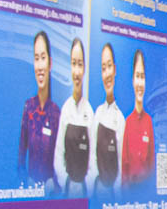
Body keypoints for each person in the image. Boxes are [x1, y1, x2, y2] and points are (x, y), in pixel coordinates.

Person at [18, 30, 59, 188]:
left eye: (43, 58)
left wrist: (53, 183)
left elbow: (60, 164)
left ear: (50, 64)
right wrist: (26, 182)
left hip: (51, 198)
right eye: (36, 58)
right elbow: (20, 161)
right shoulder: (28, 108)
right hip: (31, 195)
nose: (40, 66)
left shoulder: (57, 114)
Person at [54, 35, 93, 193]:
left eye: (80, 64)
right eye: (73, 64)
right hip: (67, 191)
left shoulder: (89, 112)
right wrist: (66, 183)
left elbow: (93, 159)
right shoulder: (65, 110)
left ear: (84, 69)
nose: (77, 72)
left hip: (85, 192)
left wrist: (85, 186)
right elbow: (58, 154)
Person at [91, 40, 123, 193]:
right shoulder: (97, 113)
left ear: (115, 70)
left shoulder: (120, 119)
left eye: (109, 66)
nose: (107, 73)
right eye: (103, 68)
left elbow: (120, 165)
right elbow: (92, 156)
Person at [122, 47, 156, 191]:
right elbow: (124, 168)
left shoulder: (149, 122)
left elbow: (152, 165)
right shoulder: (127, 122)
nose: (140, 83)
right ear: (132, 81)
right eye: (137, 76)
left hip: (146, 194)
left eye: (142, 77)